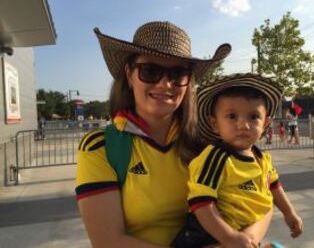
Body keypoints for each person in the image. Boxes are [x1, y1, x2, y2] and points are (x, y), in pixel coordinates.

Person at [75, 21, 232, 247]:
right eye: (150, 71)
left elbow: (257, 200)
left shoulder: (207, 143)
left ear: (188, 82)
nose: (165, 84)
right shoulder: (101, 147)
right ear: (129, 75)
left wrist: (249, 240)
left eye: (178, 74)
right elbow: (108, 241)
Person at [172, 73, 303, 248]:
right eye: (232, 116)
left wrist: (289, 212)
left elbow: (274, 186)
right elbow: (201, 203)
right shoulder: (215, 158)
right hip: (208, 235)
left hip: (242, 236)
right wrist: (229, 237)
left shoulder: (262, 158)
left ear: (265, 124)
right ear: (215, 124)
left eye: (253, 117)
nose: (243, 125)